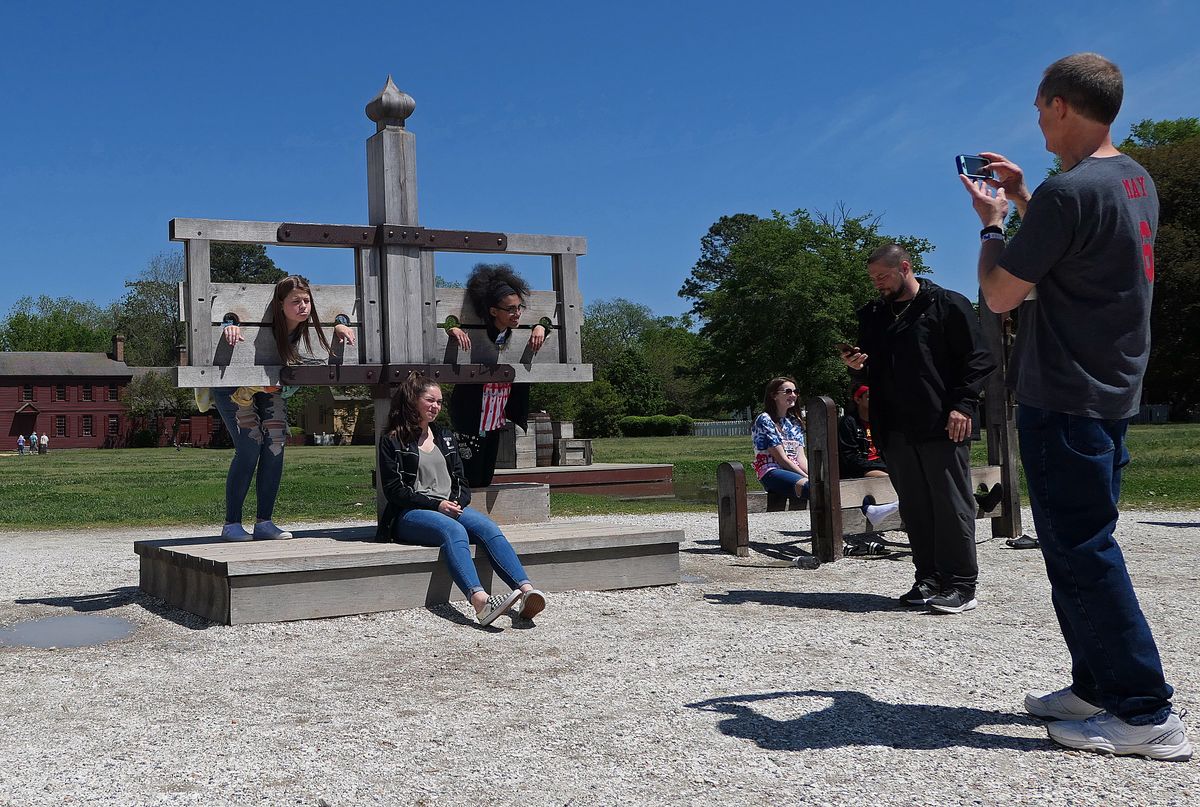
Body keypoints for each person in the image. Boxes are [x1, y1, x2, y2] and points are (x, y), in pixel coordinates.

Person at [962, 52, 1191, 760]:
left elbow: (1000, 293)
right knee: (1075, 543)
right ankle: (1096, 684)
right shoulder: (1133, 181)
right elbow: (1082, 242)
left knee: (1084, 550)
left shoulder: (1068, 196)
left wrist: (993, 223)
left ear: (1061, 105)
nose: (1035, 120)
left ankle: (1146, 710)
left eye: (1038, 109)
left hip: (1063, 394)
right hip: (1111, 389)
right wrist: (1030, 194)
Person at [840, 244, 995, 614]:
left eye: (883, 276)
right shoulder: (874, 315)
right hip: (893, 425)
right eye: (873, 278)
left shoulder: (948, 304)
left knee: (951, 503)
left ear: (905, 267)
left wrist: (963, 405)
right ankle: (928, 578)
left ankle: (961, 585)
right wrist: (856, 365)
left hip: (942, 422)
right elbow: (871, 369)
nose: (877, 284)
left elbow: (978, 359)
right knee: (915, 507)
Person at [376, 373, 547, 627]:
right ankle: (480, 603)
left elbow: (461, 482)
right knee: (455, 531)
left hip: (449, 507)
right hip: (410, 513)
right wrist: (437, 505)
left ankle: (526, 591)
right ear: (413, 400)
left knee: (488, 528)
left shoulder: (445, 437)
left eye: (440, 402)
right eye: (430, 400)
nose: (435, 406)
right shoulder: (392, 439)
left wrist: (456, 501)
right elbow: (394, 490)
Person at [210, 275, 355, 542]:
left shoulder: (304, 330)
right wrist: (228, 324)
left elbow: (335, 323)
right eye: (296, 301)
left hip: (271, 388)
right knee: (249, 447)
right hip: (233, 386)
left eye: (307, 300)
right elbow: (226, 316)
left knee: (275, 447)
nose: (304, 306)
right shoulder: (262, 324)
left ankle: (265, 522)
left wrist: (341, 323)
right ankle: (231, 523)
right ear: (279, 305)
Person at [445, 263, 551, 488]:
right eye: (510, 309)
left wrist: (542, 327)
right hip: (472, 409)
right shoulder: (478, 330)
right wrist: (451, 329)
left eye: (519, 308)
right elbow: (448, 322)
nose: (517, 313)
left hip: (496, 412)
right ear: (494, 311)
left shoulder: (518, 332)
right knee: (469, 475)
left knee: (486, 475)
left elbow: (545, 321)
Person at [751, 377, 809, 502]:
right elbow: (781, 459)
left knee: (829, 487)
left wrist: (816, 477)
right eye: (788, 391)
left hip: (795, 471)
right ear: (774, 395)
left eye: (795, 392)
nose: (793, 395)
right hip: (772, 471)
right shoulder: (764, 420)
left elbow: (801, 458)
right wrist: (808, 478)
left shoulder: (795, 422)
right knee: (812, 488)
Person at [838, 385, 888, 479]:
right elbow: (850, 457)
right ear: (858, 400)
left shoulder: (879, 421)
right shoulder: (848, 422)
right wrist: (879, 466)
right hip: (862, 469)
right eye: (869, 397)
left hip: (881, 464)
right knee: (890, 478)